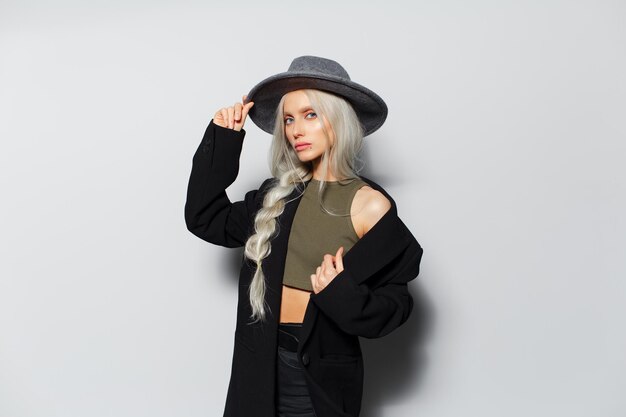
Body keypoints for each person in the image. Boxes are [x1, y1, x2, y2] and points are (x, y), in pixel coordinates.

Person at [185, 55, 423, 417]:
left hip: (318, 377)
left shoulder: (371, 206)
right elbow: (205, 218)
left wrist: (340, 293)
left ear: (339, 119)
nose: (296, 130)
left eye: (310, 115)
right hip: (258, 366)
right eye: (289, 119)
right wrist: (224, 139)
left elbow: (394, 310)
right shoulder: (277, 196)